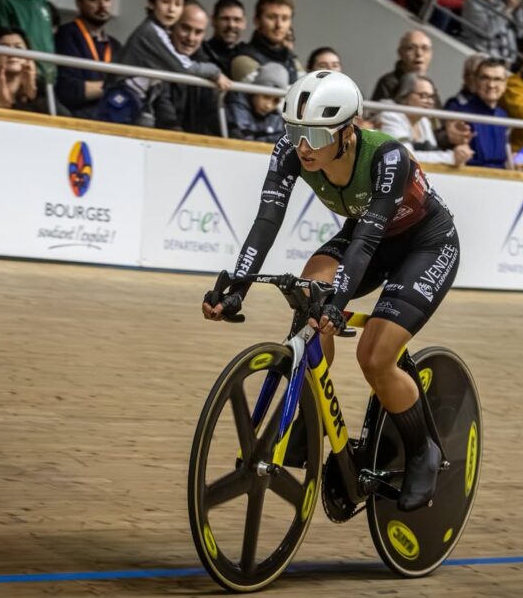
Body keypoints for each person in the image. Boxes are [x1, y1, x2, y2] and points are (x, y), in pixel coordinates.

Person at [203, 70, 461, 512]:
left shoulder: (387, 158)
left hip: (424, 244)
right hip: (367, 235)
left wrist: (339, 304)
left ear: (347, 132)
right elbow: (267, 220)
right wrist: (236, 287)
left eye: (316, 135)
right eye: (295, 131)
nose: (303, 146)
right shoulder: (291, 151)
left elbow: (365, 243)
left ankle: (423, 451)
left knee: (375, 356)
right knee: (310, 293)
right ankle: (311, 412)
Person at [98, 0, 230, 125]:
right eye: (165, 2)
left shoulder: (160, 30)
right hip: (121, 104)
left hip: (133, 104)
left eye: (178, 4)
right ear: (151, 4)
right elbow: (184, 68)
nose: (171, 9)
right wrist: (216, 71)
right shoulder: (151, 31)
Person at [54, 0, 122, 119]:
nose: (103, 5)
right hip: (77, 121)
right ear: (79, 3)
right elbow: (68, 90)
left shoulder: (115, 45)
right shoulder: (66, 35)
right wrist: (111, 88)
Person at [376, 73, 475, 167]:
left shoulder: (423, 121)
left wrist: (460, 152)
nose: (430, 101)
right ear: (404, 95)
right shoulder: (390, 115)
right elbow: (406, 157)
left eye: (432, 97)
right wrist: (452, 157)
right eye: (423, 96)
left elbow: (432, 153)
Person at [154, 0, 223, 135]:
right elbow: (162, 106)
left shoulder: (208, 65)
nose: (191, 38)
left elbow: (212, 116)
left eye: (198, 32)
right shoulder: (156, 57)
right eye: (185, 28)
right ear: (173, 26)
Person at [0, 27, 56, 113]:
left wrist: (32, 95)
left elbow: (63, 117)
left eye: (18, 48)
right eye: (4, 48)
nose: (12, 53)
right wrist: (0, 107)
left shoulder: (42, 89)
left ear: (28, 58)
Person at [445, 58, 512, 168]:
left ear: (505, 84)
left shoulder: (503, 115)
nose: (491, 85)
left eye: (497, 79)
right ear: (475, 81)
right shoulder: (460, 113)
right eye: (485, 78)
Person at [231, 0, 304, 84]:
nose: (279, 25)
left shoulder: (293, 61)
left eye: (285, 18)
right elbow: (269, 98)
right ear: (257, 21)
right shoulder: (243, 60)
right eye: (272, 17)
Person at [461, 0, 518, 65]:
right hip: (482, 60)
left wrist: (511, 58)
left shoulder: (501, 4)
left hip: (504, 62)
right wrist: (508, 9)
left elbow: (512, 32)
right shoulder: (471, 3)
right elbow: (487, 32)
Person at [226, 62, 289, 143]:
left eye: (276, 101)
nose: (269, 106)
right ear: (255, 92)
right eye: (266, 97)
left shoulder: (275, 115)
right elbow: (244, 142)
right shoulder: (236, 104)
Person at [371, 30, 439, 105]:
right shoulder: (388, 82)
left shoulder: (429, 85)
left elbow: (437, 115)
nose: (419, 53)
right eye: (411, 48)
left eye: (425, 48)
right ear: (400, 53)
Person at [202, 0, 247, 77]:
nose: (231, 25)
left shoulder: (248, 55)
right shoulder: (200, 52)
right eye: (225, 19)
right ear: (213, 20)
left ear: (244, 23)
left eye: (237, 20)